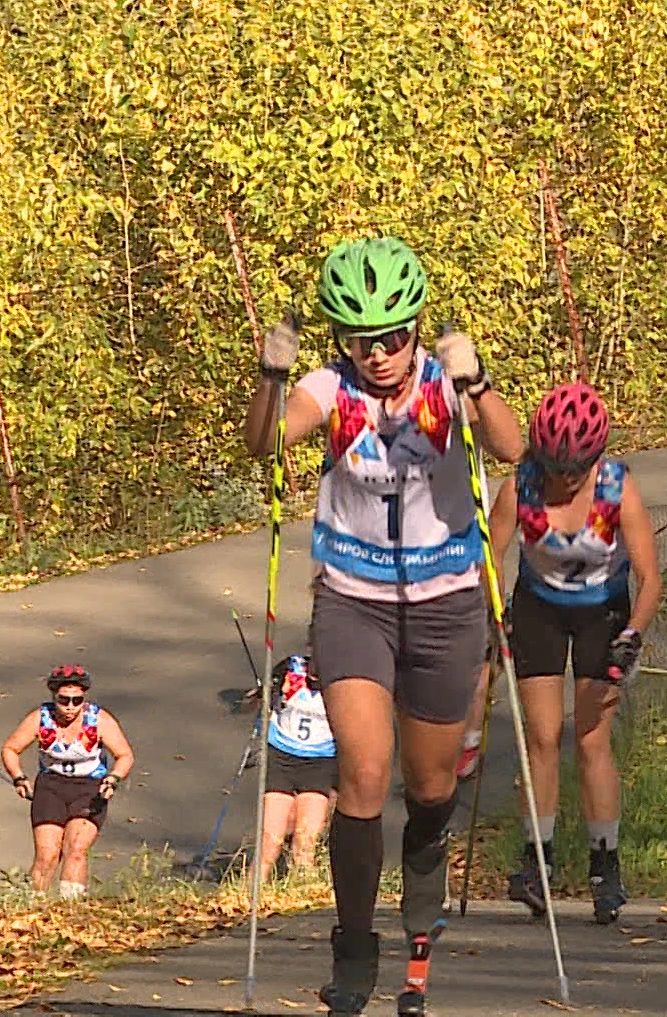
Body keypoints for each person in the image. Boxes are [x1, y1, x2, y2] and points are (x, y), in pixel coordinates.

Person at [243, 236, 524, 1016]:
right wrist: (271, 376)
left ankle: (425, 873)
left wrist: (480, 382)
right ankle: (356, 945)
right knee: (362, 778)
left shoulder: (443, 385)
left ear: (415, 328)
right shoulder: (329, 388)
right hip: (353, 602)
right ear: (344, 339)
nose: (382, 353)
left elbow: (514, 450)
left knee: (428, 788)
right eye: (365, 339)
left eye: (396, 336)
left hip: (444, 604)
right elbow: (264, 443)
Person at [485, 382, 662, 925]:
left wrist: (631, 635)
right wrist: (491, 613)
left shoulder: (616, 487)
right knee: (539, 737)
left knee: (590, 739)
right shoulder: (522, 486)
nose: (564, 479)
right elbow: (488, 558)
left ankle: (605, 865)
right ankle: (536, 862)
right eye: (556, 467)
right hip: (538, 607)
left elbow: (651, 578)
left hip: (601, 613)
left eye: (575, 469)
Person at [0, 664, 135, 901]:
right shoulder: (40, 718)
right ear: (54, 696)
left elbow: (125, 755)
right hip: (51, 788)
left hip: (90, 789)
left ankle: (71, 909)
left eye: (77, 700)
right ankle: (32, 907)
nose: (70, 707)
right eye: (64, 700)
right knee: (47, 854)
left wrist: (113, 779)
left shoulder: (99, 719)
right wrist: (18, 777)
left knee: (75, 851)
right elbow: (11, 748)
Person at [255, 651, 337, 880]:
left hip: (320, 763)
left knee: (305, 842)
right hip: (282, 757)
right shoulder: (291, 668)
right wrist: (264, 694)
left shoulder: (341, 680)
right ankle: (248, 896)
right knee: (270, 841)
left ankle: (301, 899)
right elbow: (263, 700)